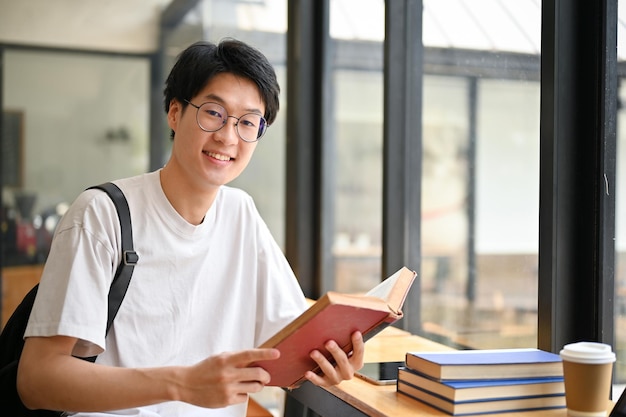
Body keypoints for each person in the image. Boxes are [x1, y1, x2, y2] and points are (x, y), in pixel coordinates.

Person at [16, 39, 364, 417]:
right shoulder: (102, 215)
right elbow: (37, 380)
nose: (228, 137)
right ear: (174, 113)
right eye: (214, 113)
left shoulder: (241, 214)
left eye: (247, 122)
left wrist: (329, 358)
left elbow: (289, 341)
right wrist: (181, 384)